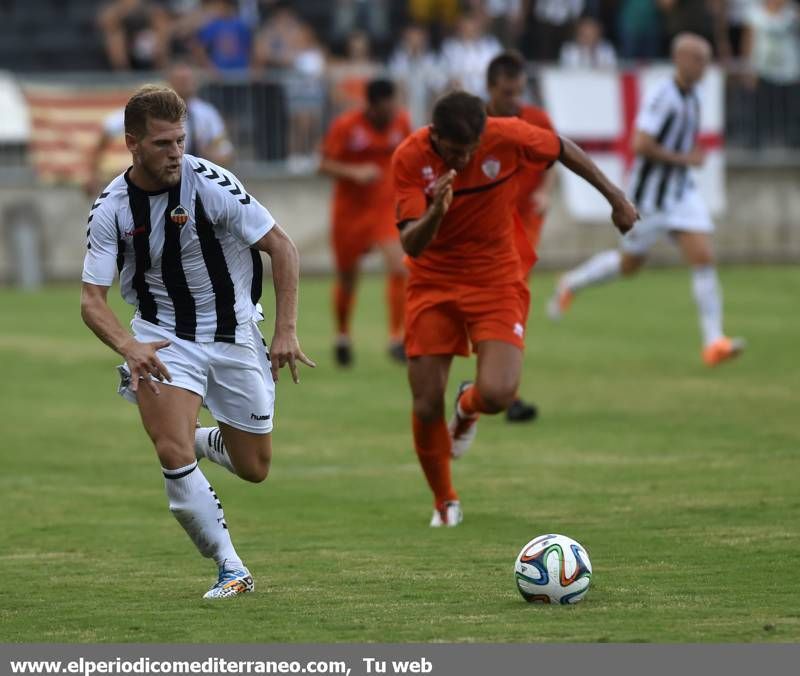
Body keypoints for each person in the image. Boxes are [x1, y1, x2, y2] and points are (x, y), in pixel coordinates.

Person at [80, 85, 314, 598]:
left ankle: (207, 439)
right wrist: (129, 346)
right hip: (162, 339)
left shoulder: (211, 184)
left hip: (232, 332)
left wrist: (285, 329)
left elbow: (282, 248)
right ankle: (231, 568)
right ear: (132, 143)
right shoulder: (112, 208)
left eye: (180, 141)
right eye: (163, 143)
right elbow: (91, 301)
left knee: (255, 468)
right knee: (170, 449)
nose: (175, 153)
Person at [392, 90, 638, 526]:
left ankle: (468, 406)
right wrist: (436, 211)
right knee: (426, 402)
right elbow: (411, 242)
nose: (465, 158)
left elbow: (562, 148)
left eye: (471, 149)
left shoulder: (505, 135)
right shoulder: (410, 157)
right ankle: (444, 500)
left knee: (500, 394)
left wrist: (615, 197)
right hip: (434, 282)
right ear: (436, 137)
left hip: (495, 278)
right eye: (454, 151)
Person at [547, 33, 745, 367]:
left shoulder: (693, 96)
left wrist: (686, 160)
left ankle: (714, 342)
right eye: (699, 59)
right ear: (681, 59)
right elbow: (641, 143)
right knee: (630, 265)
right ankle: (571, 282)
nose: (704, 66)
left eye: (707, 60)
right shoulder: (662, 96)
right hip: (649, 199)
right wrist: (685, 160)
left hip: (680, 195)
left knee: (703, 256)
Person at [485, 51, 557, 424]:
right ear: (490, 88)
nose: (515, 101)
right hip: (485, 229)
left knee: (512, 303)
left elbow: (553, 160)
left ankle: (505, 391)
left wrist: (545, 190)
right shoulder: (473, 122)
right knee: (502, 306)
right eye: (507, 93)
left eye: (519, 92)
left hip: (523, 227)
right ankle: (497, 389)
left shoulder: (537, 119)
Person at [320, 78, 412, 366]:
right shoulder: (347, 126)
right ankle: (343, 334)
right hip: (350, 212)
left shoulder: (402, 122)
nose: (394, 110)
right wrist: (354, 171)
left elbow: (411, 154)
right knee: (348, 278)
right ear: (372, 105)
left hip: (385, 208)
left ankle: (397, 338)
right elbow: (323, 164)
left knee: (400, 266)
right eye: (388, 105)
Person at [85, 62, 234, 197]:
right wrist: (93, 173)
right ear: (170, 82)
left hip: (194, 184)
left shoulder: (206, 113)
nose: (186, 84)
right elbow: (109, 128)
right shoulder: (150, 109)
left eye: (188, 80)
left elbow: (225, 151)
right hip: (155, 181)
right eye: (181, 80)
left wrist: (211, 156)